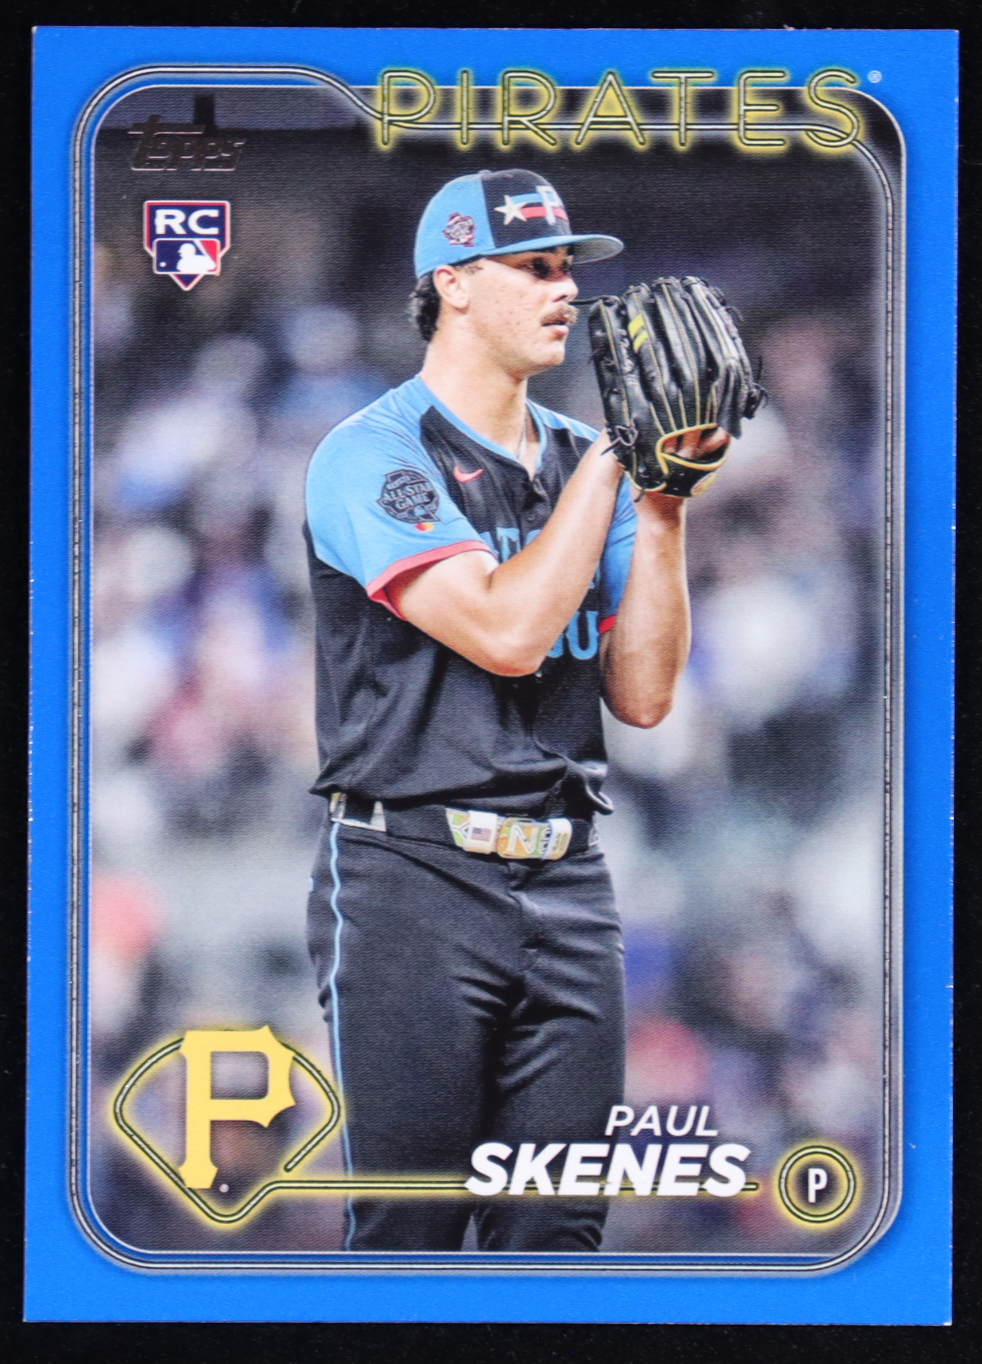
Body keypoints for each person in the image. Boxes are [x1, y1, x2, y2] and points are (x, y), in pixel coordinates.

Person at [303, 168, 728, 1253]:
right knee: (411, 1231)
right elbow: (505, 631)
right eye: (534, 266)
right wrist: (615, 468)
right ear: (451, 282)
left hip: (569, 878)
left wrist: (665, 504)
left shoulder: (584, 458)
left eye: (567, 267)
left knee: (560, 1228)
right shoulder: (373, 453)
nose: (565, 288)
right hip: (412, 875)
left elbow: (643, 696)